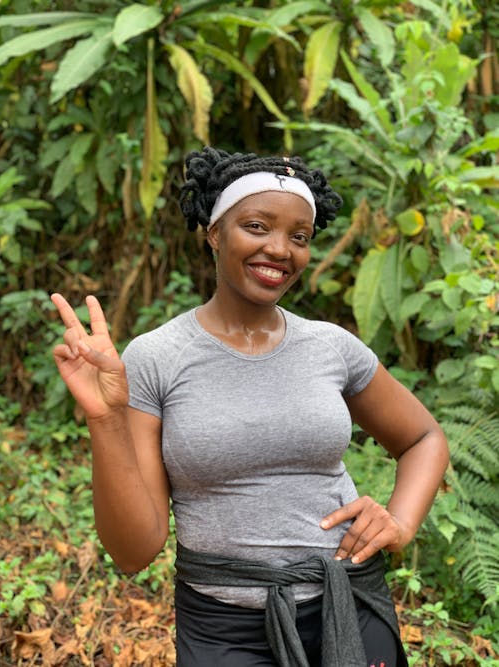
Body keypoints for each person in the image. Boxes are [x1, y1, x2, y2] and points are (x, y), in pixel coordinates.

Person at [51, 147, 449, 667]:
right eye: (257, 226)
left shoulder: (332, 346)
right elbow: (133, 551)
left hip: (348, 602)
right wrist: (104, 419)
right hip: (225, 626)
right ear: (214, 231)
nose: (280, 249)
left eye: (299, 236)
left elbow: (424, 439)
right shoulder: (157, 358)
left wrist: (400, 519)